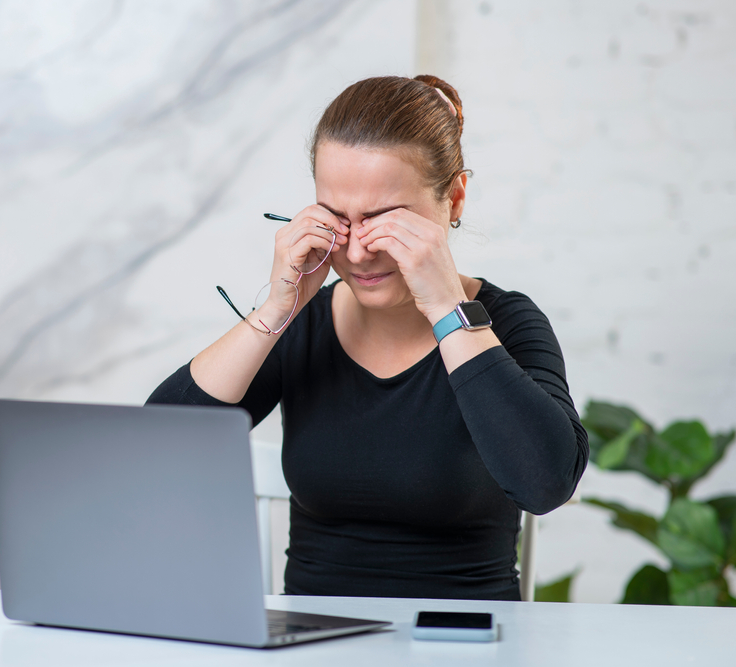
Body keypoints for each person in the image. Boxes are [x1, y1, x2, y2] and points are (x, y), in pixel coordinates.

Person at [147, 75, 588, 601]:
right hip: (312, 642)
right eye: (336, 219)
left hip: (464, 644)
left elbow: (545, 484)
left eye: (386, 222)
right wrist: (276, 308)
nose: (357, 253)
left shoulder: (506, 323)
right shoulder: (301, 327)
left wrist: (448, 309)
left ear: (454, 199)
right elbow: (157, 450)